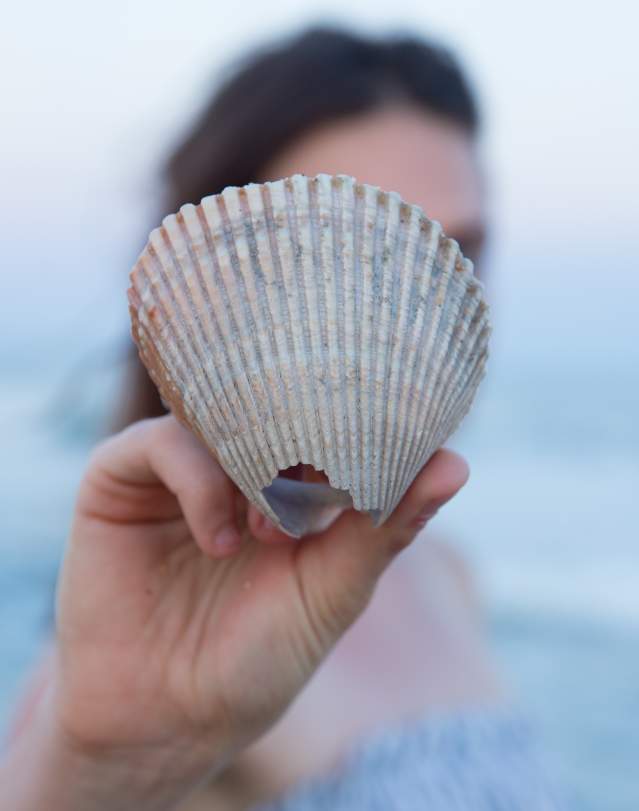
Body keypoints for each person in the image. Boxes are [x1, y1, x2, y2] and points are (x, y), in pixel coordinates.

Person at [1, 26, 561, 811]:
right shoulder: (147, 643)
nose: (419, 302)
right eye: (356, 249)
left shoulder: (445, 574)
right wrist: (110, 767)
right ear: (216, 284)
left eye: (457, 249)